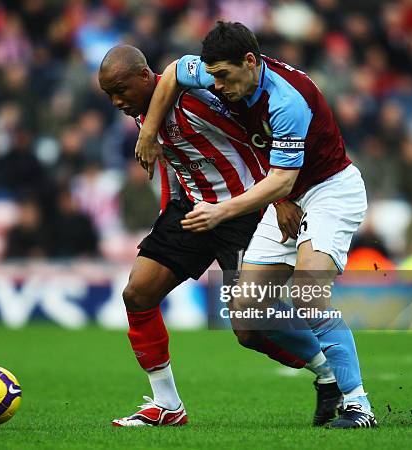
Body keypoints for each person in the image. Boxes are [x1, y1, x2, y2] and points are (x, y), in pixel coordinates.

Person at [135, 22, 376, 429]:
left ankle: (358, 406)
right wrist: (149, 131)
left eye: (224, 77)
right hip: (288, 192)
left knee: (307, 294)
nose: (217, 87)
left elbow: (283, 178)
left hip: (329, 190)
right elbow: (174, 72)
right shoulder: (214, 73)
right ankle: (327, 373)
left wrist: (221, 211)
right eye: (212, 77)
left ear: (250, 61)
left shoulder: (288, 101)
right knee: (247, 316)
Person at [99, 45, 339, 428]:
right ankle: (167, 405)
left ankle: (329, 371)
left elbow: (253, 142)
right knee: (137, 293)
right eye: (109, 94)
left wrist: (281, 200)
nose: (116, 101)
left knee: (249, 328)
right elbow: (175, 162)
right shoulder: (144, 112)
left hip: (243, 214)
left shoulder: (195, 101)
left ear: (145, 77)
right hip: (193, 211)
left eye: (120, 89)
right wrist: (166, 214)